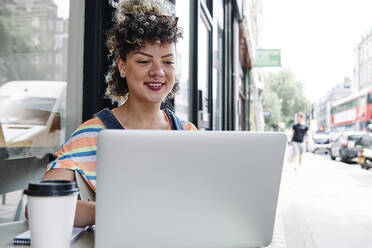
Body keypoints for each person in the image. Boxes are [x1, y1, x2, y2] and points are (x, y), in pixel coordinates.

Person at [26, 0, 196, 227]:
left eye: (168, 62)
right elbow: (38, 206)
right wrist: (115, 210)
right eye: (144, 61)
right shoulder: (93, 134)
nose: (158, 72)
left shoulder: (188, 133)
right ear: (122, 66)